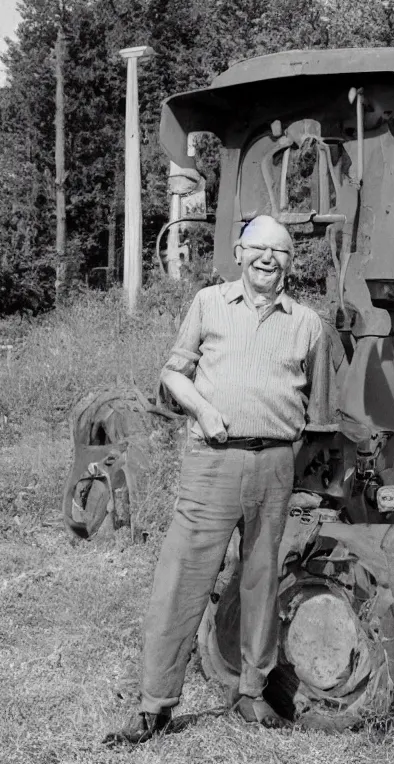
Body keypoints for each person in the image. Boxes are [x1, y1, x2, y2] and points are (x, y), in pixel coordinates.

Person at [105, 215, 338, 744]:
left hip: (275, 465)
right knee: (183, 578)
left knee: (261, 581)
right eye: (257, 248)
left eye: (278, 251)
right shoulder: (209, 303)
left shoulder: (308, 324)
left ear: (290, 261)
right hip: (212, 461)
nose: (267, 258)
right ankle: (155, 705)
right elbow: (171, 374)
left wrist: (283, 452)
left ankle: (251, 693)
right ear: (238, 251)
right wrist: (205, 414)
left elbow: (318, 412)